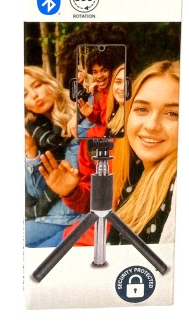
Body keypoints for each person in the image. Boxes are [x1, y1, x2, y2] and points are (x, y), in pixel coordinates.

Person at [39, 61, 179, 245]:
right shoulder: (133, 162)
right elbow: (98, 202)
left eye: (173, 113)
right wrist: (72, 192)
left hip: (94, 236)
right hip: (92, 231)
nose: (152, 125)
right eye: (142, 109)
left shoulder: (174, 187)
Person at [23, 66, 85, 247]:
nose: (34, 95)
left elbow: (73, 180)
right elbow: (36, 192)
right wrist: (31, 152)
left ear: (50, 83)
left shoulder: (80, 114)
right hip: (51, 214)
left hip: (74, 214)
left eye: (37, 85)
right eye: (25, 94)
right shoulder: (35, 130)